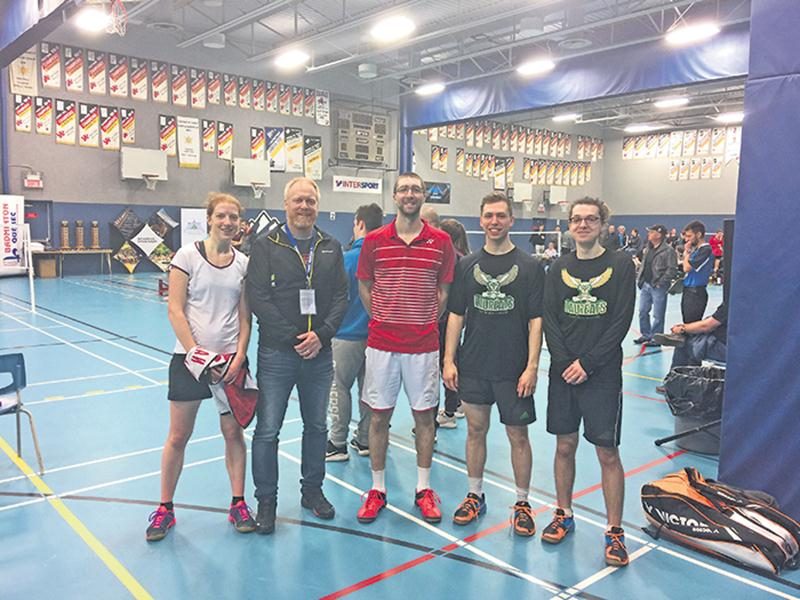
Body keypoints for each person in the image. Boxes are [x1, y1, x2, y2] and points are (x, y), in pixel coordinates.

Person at [146, 193, 255, 542]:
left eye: (233, 217)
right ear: (209, 218)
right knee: (178, 436)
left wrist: (239, 356)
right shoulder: (187, 255)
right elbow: (175, 310)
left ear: (240, 223)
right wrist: (198, 356)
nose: (227, 222)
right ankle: (165, 508)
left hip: (229, 363)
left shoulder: (243, 263)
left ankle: (238, 502)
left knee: (233, 434)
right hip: (189, 362)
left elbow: (244, 316)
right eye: (221, 215)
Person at [247, 177, 349, 534]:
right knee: (268, 430)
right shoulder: (265, 245)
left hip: (319, 355)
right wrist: (294, 338)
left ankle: (312, 492)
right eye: (297, 201)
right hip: (277, 354)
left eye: (310, 201)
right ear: (285, 204)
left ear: (317, 205)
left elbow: (340, 297)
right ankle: (266, 502)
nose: (304, 207)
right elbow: (258, 297)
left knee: (317, 426)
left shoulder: (330, 246)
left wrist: (321, 336)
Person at [355, 172, 456, 524]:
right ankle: (378, 489)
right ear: (394, 196)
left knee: (424, 418)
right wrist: (383, 317)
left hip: (423, 346)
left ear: (423, 196)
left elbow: (443, 292)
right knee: (378, 416)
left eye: (416, 189)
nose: (410, 195)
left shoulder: (441, 242)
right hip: (382, 344)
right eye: (404, 190)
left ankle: (423, 489)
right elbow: (365, 285)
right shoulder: (375, 241)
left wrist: (424, 320)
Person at [443, 193, 545, 536]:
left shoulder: (530, 267)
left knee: (518, 435)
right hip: (473, 364)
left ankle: (522, 502)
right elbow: (456, 315)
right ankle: (474, 495)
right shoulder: (467, 265)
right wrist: (449, 359)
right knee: (475, 430)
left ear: (511, 220)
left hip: (513, 368)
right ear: (481, 219)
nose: (494, 221)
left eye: (501, 215)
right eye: (488, 216)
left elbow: (536, 320)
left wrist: (532, 366)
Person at [542, 197, 636, 567]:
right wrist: (566, 362)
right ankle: (563, 513)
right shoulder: (558, 267)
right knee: (564, 447)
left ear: (603, 223)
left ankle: (614, 532)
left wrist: (589, 363)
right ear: (568, 224)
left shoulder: (619, 264)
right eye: (577, 219)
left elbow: (620, 320)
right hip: (564, 373)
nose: (583, 225)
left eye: (590, 219)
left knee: (607, 453)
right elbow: (550, 317)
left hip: (602, 375)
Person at [325, 203, 384, 462]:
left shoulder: (345, 259)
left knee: (339, 387)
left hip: (346, 336)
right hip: (377, 338)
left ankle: (337, 443)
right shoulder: (385, 260)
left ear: (359, 223)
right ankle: (366, 440)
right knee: (369, 390)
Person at [435, 218, 470, 428]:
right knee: (453, 361)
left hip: (446, 319)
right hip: (455, 319)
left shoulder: (452, 259)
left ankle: (448, 412)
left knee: (446, 364)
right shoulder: (463, 257)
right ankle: (456, 404)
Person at [633, 224, 677, 346]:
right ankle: (646, 334)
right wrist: (640, 280)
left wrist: (660, 282)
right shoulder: (648, 249)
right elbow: (643, 265)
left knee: (658, 314)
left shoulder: (668, 251)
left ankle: (656, 338)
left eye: (651, 232)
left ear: (659, 235)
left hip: (658, 286)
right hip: (646, 285)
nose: (649, 234)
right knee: (642, 311)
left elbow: (672, 269)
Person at [655, 302, 727, 370]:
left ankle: (677, 380)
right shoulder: (734, 301)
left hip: (727, 349)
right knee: (694, 333)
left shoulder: (729, 303)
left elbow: (706, 326)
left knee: (684, 344)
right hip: (731, 343)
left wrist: (682, 328)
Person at [680, 221, 713, 323]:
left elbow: (687, 267)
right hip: (688, 290)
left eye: (689, 236)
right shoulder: (696, 250)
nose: (686, 240)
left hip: (696, 293)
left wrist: (686, 253)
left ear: (698, 234)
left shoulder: (705, 250)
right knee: (687, 322)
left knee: (692, 324)